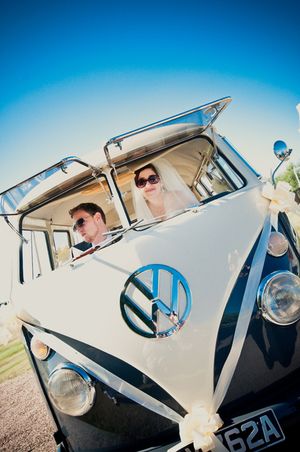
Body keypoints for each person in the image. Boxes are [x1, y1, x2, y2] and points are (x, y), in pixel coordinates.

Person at [131, 158, 198, 220]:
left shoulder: (181, 196)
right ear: (137, 188)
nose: (148, 185)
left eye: (152, 179)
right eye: (141, 182)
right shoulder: (143, 210)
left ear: (161, 181)